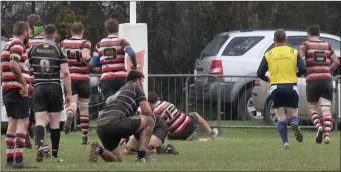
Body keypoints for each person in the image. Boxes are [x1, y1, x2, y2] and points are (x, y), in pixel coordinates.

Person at [88, 71, 155, 163]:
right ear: (138, 81)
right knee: (150, 121)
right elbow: (146, 111)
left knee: (117, 159)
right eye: (142, 81)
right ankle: (141, 157)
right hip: (115, 122)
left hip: (101, 126)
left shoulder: (118, 92)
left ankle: (99, 149)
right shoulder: (136, 87)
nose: (142, 84)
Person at [28, 24, 72, 163]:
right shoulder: (58, 50)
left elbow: (27, 68)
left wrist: (30, 83)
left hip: (39, 86)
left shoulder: (33, 49)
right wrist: (69, 92)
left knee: (40, 120)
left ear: (43, 34)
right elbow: (65, 72)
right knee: (54, 123)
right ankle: (54, 155)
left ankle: (41, 145)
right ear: (55, 34)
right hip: (54, 87)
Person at [257, 29, 307, 149]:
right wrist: (296, 75)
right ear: (286, 39)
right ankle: (294, 123)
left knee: (280, 116)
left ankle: (285, 143)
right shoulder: (293, 52)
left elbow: (260, 72)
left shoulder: (269, 54)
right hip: (291, 87)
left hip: (276, 87)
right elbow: (303, 69)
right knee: (293, 113)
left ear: (274, 41)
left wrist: (268, 79)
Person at [1, 21, 37, 168]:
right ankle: (19, 160)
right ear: (25, 32)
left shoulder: (6, 45)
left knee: (12, 123)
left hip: (8, 88)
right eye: (28, 32)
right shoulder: (17, 44)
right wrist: (23, 83)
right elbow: (13, 64)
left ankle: (10, 160)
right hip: (17, 89)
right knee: (24, 122)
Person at [299, 25, 340, 144]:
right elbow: (337, 62)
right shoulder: (327, 45)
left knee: (313, 108)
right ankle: (327, 135)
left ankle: (319, 127)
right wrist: (328, 70)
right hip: (326, 80)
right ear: (319, 34)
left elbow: (301, 61)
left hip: (312, 80)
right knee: (326, 109)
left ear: (309, 34)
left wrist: (305, 72)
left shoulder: (305, 45)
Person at [25, 14, 52, 158]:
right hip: (46, 83)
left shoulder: (27, 43)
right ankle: (44, 146)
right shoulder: (49, 43)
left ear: (29, 27)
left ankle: (26, 135)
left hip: (30, 83)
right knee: (41, 116)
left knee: (26, 116)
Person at [60, 22, 92, 145]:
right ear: (82, 31)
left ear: (71, 31)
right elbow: (85, 55)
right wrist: (91, 63)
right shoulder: (85, 43)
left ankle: (69, 114)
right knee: (84, 109)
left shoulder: (63, 43)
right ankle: (84, 136)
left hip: (70, 78)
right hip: (83, 78)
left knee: (72, 103)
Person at [91, 19, 137, 101]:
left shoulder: (99, 44)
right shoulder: (122, 42)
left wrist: (103, 62)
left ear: (106, 29)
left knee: (110, 103)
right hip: (121, 78)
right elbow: (132, 53)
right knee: (122, 102)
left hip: (106, 79)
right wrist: (135, 65)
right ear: (117, 29)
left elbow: (94, 63)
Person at [147, 92, 219, 141]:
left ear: (149, 103)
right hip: (189, 125)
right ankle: (211, 133)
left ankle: (193, 136)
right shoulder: (166, 103)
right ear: (158, 98)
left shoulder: (155, 113)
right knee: (195, 114)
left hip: (179, 135)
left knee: (169, 133)